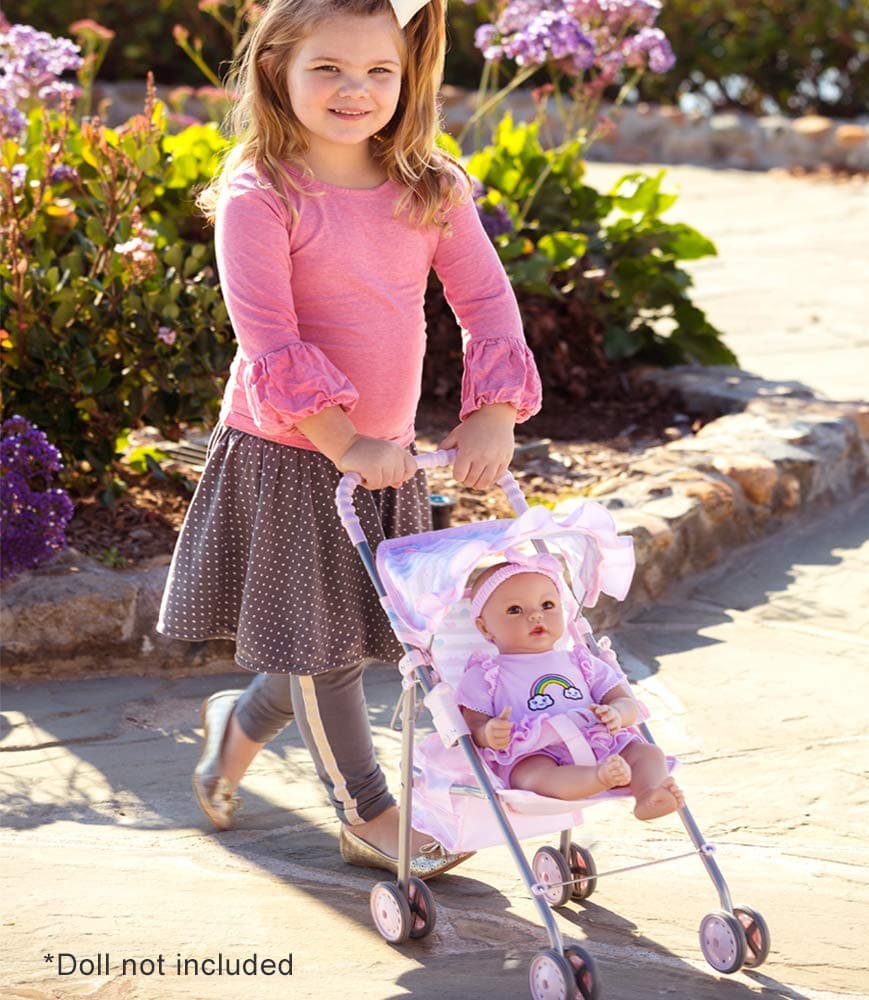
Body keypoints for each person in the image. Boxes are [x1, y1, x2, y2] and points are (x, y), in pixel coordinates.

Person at [157, 0, 542, 880]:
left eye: (379, 71)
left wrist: (493, 410)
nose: (354, 90)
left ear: (409, 77)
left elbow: (484, 302)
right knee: (324, 651)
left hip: (384, 457)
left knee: (335, 640)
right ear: (278, 69)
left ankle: (234, 727)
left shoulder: (429, 186)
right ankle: (369, 812)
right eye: (327, 68)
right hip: (292, 454)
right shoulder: (262, 196)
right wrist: (343, 440)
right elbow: (271, 341)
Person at [456, 555, 684, 821]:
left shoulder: (581, 661)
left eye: (548, 604)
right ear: (484, 628)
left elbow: (626, 701)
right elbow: (472, 726)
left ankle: (650, 794)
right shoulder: (485, 674)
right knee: (533, 777)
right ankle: (598, 778)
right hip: (536, 751)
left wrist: (618, 713)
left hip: (601, 743)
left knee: (647, 752)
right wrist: (489, 733)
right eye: (515, 610)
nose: (536, 615)